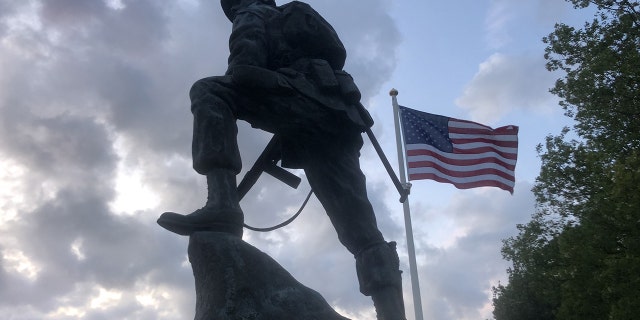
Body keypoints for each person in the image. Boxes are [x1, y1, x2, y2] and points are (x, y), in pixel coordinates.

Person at [158, 1, 406, 319]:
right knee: (362, 231)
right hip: (339, 117)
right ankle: (392, 313)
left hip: (301, 102)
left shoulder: (252, 15)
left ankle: (222, 205)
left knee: (210, 92)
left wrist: (277, 94)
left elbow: (243, 71)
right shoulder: (297, 19)